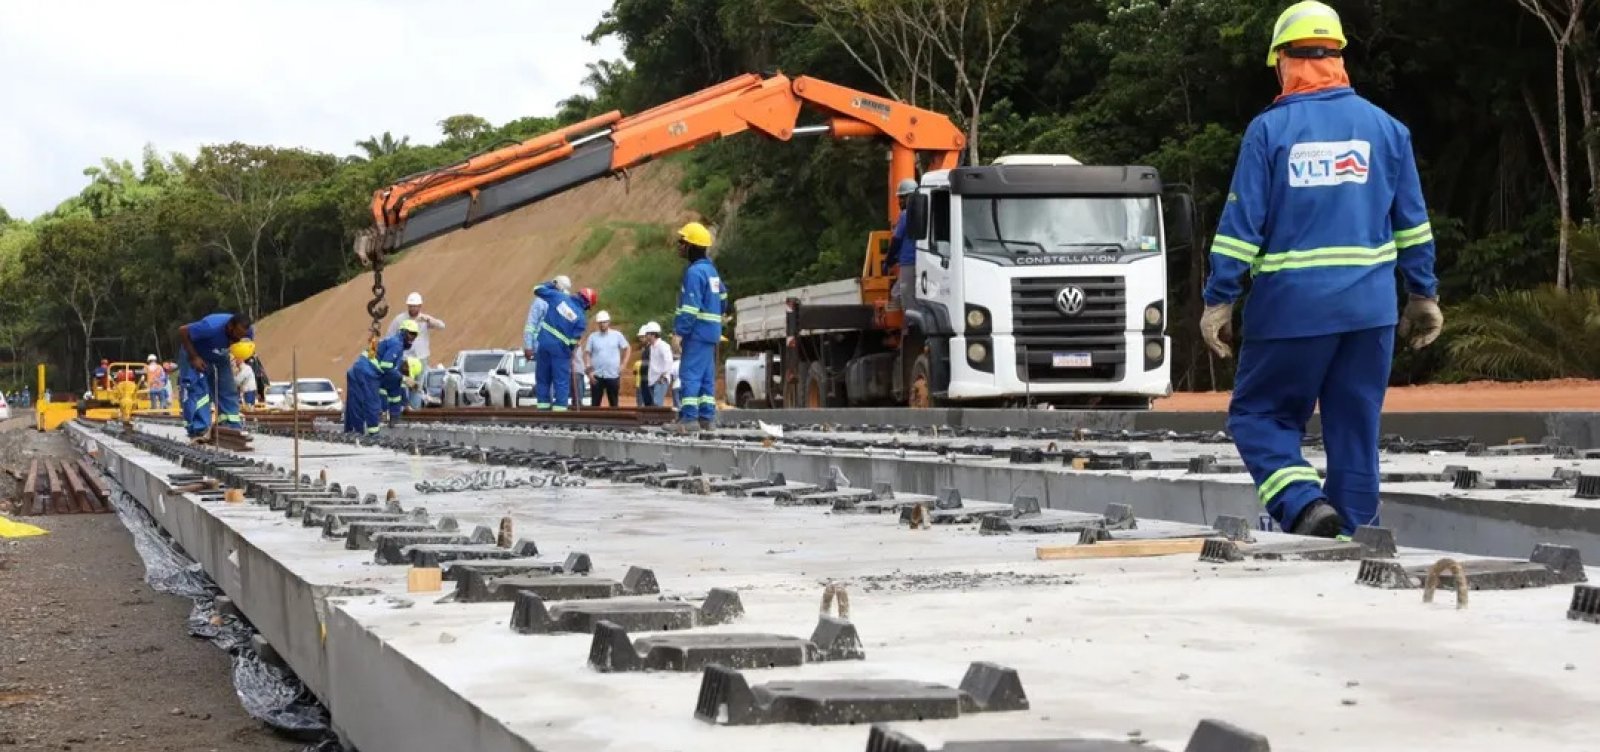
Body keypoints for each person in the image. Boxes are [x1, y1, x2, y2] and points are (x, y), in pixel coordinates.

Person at [1199, 1, 1442, 539]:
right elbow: (1414, 226)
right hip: (1369, 314)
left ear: (1284, 60)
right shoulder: (1387, 130)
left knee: (1258, 418)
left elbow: (1241, 227)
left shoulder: (1270, 131)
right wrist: (1423, 295)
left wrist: (1220, 298)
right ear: (1337, 56)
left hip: (1291, 312)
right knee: (1355, 428)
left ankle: (1304, 505)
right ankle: (1355, 538)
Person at [672, 222, 726, 431]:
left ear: (692, 246)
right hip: (711, 331)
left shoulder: (694, 273)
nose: (680, 246)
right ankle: (706, 418)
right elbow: (723, 298)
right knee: (705, 377)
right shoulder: (712, 271)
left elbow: (690, 308)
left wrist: (679, 333)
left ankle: (689, 419)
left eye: (683, 242)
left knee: (689, 374)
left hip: (697, 331)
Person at [177, 313, 254, 442]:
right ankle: (199, 428)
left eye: (242, 336)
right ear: (230, 326)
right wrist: (194, 357)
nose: (239, 339)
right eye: (237, 335)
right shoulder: (210, 327)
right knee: (196, 389)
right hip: (195, 351)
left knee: (227, 389)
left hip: (219, 356)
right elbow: (183, 331)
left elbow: (244, 347)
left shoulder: (246, 332)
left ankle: (230, 425)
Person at [531, 280, 596, 412]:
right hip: (561, 351)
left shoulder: (558, 297)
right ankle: (560, 410)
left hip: (543, 344)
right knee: (561, 381)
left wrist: (553, 284)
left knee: (542, 378)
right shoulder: (581, 319)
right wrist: (569, 351)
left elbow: (537, 289)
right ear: (587, 304)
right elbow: (574, 342)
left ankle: (543, 408)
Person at [882, 178, 919, 312]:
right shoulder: (928, 213)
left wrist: (888, 261)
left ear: (911, 197)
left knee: (903, 297)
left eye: (902, 198)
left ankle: (910, 327)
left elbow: (896, 240)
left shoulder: (905, 215)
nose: (900, 201)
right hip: (922, 261)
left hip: (909, 262)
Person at [584, 311, 630, 407]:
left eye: (604, 322)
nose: (602, 324)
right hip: (597, 375)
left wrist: (624, 364)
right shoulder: (593, 337)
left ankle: (615, 421)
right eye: (600, 322)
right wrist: (589, 371)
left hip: (613, 374)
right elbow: (587, 353)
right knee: (595, 404)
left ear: (608, 322)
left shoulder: (617, 335)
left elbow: (627, 348)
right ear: (597, 323)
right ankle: (595, 421)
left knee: (614, 403)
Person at [377, 319, 418, 425]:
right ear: (403, 332)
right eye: (411, 334)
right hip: (371, 373)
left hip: (376, 373)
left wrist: (405, 404)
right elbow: (385, 365)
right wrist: (404, 379)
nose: (412, 338)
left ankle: (393, 418)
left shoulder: (397, 345)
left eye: (415, 335)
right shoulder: (397, 345)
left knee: (394, 387)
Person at [388, 292, 446, 365]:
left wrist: (428, 320)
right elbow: (390, 335)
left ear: (420, 306)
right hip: (405, 358)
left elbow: (441, 326)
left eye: (415, 306)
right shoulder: (399, 319)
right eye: (411, 306)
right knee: (405, 376)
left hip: (422, 356)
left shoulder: (425, 319)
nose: (412, 308)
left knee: (422, 376)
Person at [523, 275, 573, 360]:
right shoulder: (540, 302)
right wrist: (528, 346)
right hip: (540, 348)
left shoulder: (564, 303)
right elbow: (531, 325)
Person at [638, 321, 673, 408]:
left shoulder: (663, 346)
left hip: (661, 379)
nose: (646, 336)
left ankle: (658, 421)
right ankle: (654, 421)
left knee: (657, 403)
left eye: (647, 334)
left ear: (653, 334)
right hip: (653, 379)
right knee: (653, 404)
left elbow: (668, 361)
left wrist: (663, 375)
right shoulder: (652, 347)